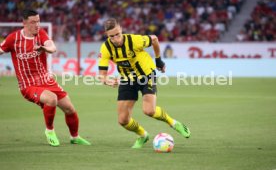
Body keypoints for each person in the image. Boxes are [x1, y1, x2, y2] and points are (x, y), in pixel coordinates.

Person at [0, 9, 90, 147]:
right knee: (51, 98)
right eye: (33, 22)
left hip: (46, 80)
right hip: (28, 85)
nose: (37, 25)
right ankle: (50, 130)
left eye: (38, 21)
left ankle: (75, 137)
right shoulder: (14, 38)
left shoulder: (41, 34)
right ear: (24, 23)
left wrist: (44, 48)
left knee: (70, 109)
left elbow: (52, 47)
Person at [98, 18, 191, 149]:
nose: (116, 39)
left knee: (149, 111)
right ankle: (142, 135)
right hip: (127, 78)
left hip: (146, 74)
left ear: (121, 30)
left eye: (118, 34)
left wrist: (158, 60)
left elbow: (154, 39)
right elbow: (102, 76)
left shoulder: (134, 40)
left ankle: (174, 123)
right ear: (107, 36)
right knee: (123, 120)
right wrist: (107, 80)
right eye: (111, 36)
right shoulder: (106, 48)